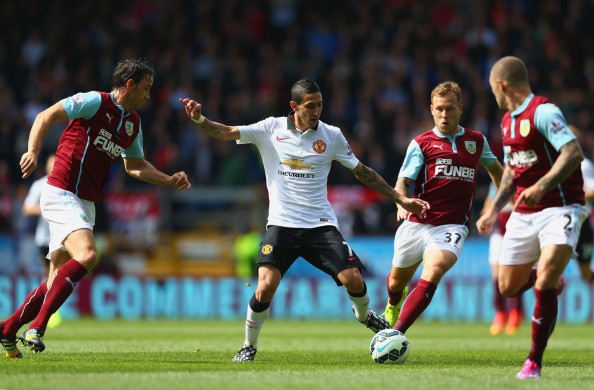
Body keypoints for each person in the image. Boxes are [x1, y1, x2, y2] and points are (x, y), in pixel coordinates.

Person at [179, 79, 430, 362]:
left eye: (320, 105)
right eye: (310, 106)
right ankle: (248, 345)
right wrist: (199, 118)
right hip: (281, 225)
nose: (316, 111)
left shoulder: (331, 135)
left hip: (320, 225)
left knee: (354, 280)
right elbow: (225, 132)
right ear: (294, 106)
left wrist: (401, 199)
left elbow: (362, 172)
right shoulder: (270, 129)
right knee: (265, 286)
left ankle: (363, 316)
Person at [0, 58, 191, 359]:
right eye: (145, 88)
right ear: (129, 85)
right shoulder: (93, 102)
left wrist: (169, 180)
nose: (148, 96)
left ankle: (7, 329)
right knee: (88, 255)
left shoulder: (133, 123)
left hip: (85, 202)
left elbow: (135, 166)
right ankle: (37, 327)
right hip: (61, 190)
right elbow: (45, 116)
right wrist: (33, 151)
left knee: (53, 282)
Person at [476, 56, 586, 379]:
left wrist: (541, 186)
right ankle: (545, 278)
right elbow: (511, 171)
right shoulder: (508, 121)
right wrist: (493, 209)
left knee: (546, 278)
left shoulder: (543, 111)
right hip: (524, 213)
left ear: (501, 85)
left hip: (561, 207)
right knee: (508, 286)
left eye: (492, 90)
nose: (493, 96)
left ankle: (533, 362)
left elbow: (573, 152)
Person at [382, 81, 503, 336]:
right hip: (417, 221)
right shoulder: (421, 143)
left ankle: (395, 333)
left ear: (460, 108)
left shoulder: (476, 141)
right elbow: (403, 180)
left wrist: (498, 205)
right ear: (431, 109)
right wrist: (402, 201)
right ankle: (394, 301)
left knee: (435, 268)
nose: (444, 115)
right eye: (439, 109)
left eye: (449, 109)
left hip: (451, 224)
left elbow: (497, 172)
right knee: (395, 282)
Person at [22, 154, 63, 329]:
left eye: (57, 164)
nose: (54, 167)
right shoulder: (39, 185)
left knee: (58, 273)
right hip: (44, 237)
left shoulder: (67, 183)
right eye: (51, 164)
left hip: (62, 235)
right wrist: (46, 207)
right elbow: (27, 209)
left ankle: (49, 309)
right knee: (49, 275)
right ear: (46, 167)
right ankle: (48, 310)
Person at [481, 183, 524, 336]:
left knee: (515, 276)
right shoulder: (498, 179)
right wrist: (486, 215)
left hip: (517, 232)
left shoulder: (522, 175)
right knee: (496, 275)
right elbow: (490, 199)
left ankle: (516, 312)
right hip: (499, 232)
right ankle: (500, 313)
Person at [569, 125, 594, 283]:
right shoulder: (552, 166)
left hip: (582, 224)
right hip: (561, 222)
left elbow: (592, 190)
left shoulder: (585, 166)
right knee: (549, 268)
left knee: (585, 274)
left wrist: (574, 194)